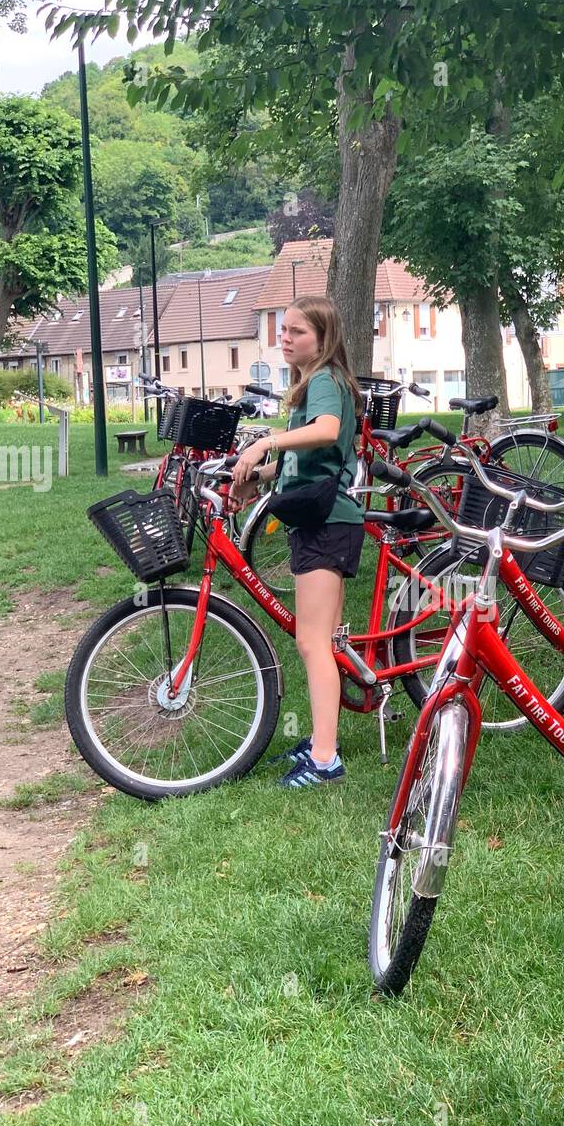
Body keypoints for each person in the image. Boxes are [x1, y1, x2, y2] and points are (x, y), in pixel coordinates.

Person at [231, 296, 365, 788]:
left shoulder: (326, 379)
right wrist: (263, 475)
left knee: (311, 642)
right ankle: (320, 740)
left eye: (297, 332)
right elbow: (307, 465)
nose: (285, 339)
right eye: (283, 330)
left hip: (327, 524)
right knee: (321, 642)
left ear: (323, 339)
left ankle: (326, 760)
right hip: (326, 520)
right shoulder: (314, 384)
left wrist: (265, 441)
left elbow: (327, 433)